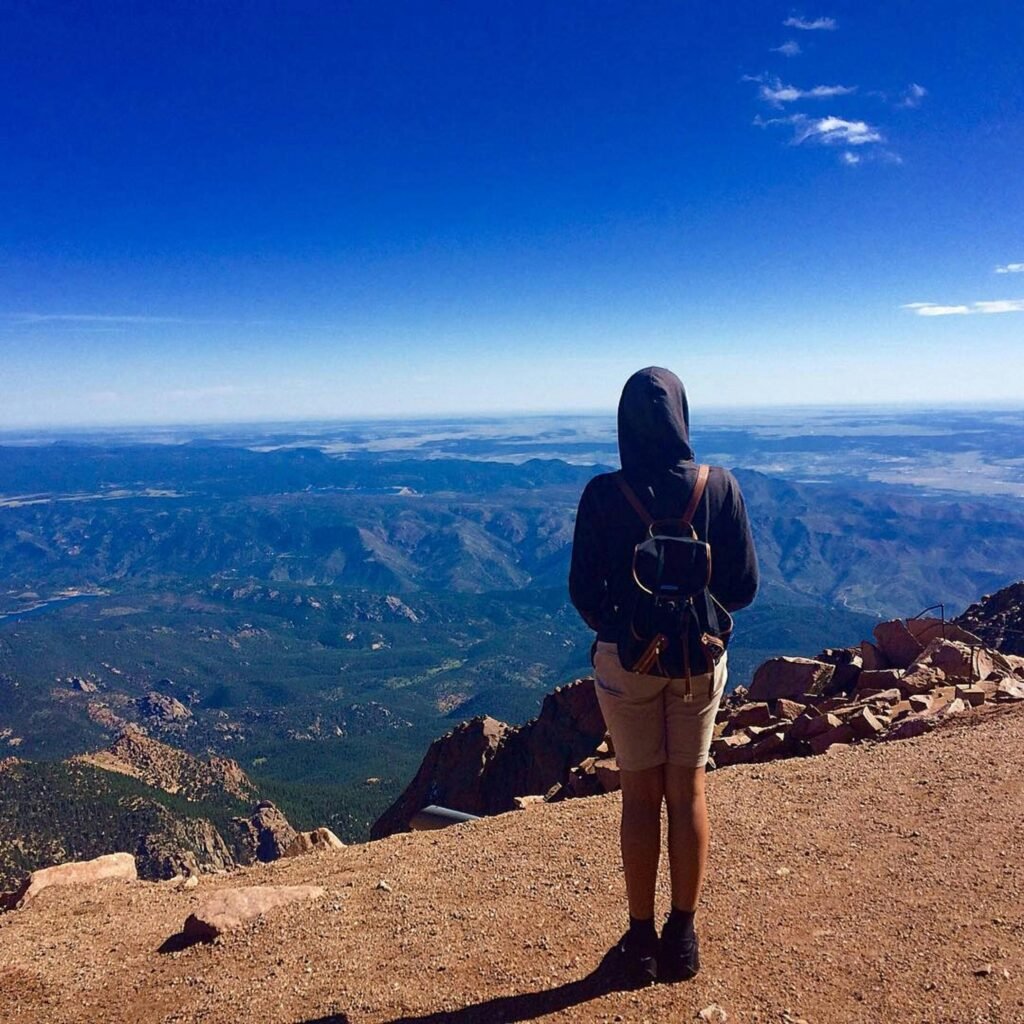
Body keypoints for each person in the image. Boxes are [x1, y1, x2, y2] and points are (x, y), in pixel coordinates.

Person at [569, 366, 758, 986]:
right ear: (683, 414)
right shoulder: (719, 487)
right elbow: (744, 589)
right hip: (699, 665)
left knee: (639, 797)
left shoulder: (603, 495)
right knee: (690, 792)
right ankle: (684, 937)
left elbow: (584, 594)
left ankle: (641, 938)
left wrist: (629, 629)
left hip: (627, 666)